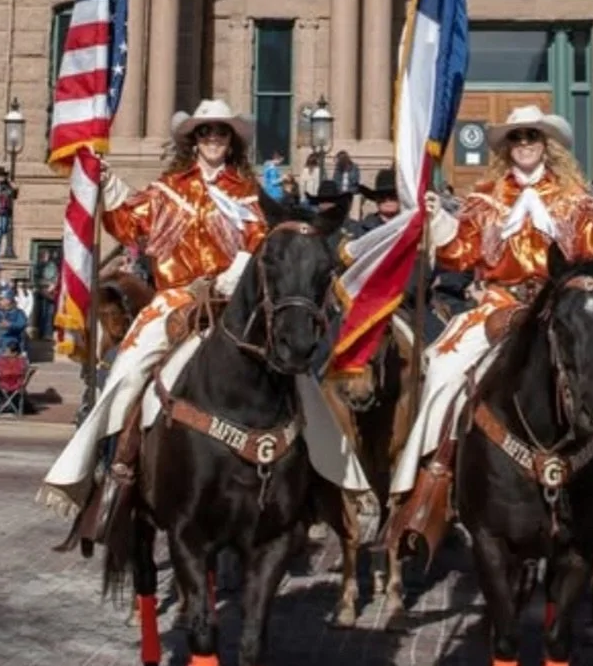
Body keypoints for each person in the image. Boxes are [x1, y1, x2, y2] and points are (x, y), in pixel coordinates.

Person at [41, 99, 369, 520]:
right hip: (178, 299)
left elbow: (264, 245)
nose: (213, 139)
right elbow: (128, 221)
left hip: (238, 300)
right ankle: (109, 472)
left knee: (300, 380)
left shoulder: (249, 195)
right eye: (206, 132)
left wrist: (237, 272)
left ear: (231, 142)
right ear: (193, 141)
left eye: (221, 132)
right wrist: (104, 182)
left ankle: (333, 483)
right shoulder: (169, 189)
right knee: (129, 371)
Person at [390, 105, 593, 543]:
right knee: (441, 369)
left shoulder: (573, 200)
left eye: (532, 137)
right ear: (506, 147)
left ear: (547, 145)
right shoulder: (486, 198)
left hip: (561, 303)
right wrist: (439, 221)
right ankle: (432, 482)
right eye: (517, 138)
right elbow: (462, 253)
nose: (525, 145)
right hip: (502, 302)